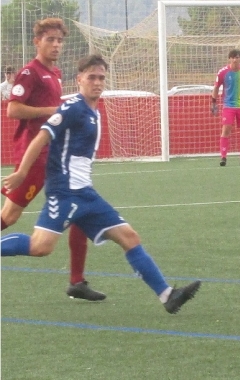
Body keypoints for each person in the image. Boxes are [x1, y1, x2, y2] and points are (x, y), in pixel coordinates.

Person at [1, 54, 202, 314]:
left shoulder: (93, 111)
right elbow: (41, 137)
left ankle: (168, 296)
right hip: (65, 193)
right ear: (79, 79)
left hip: (86, 195)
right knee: (41, 247)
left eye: (101, 78)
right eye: (91, 77)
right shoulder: (71, 107)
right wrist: (21, 173)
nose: (97, 82)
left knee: (129, 237)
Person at [1, 18, 105, 301]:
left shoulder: (55, 72)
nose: (56, 44)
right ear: (37, 42)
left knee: (80, 211)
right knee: (9, 215)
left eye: (59, 40)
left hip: (55, 159)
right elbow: (13, 111)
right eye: (50, 40)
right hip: (34, 157)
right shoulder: (29, 73)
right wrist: (54, 110)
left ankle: (77, 281)